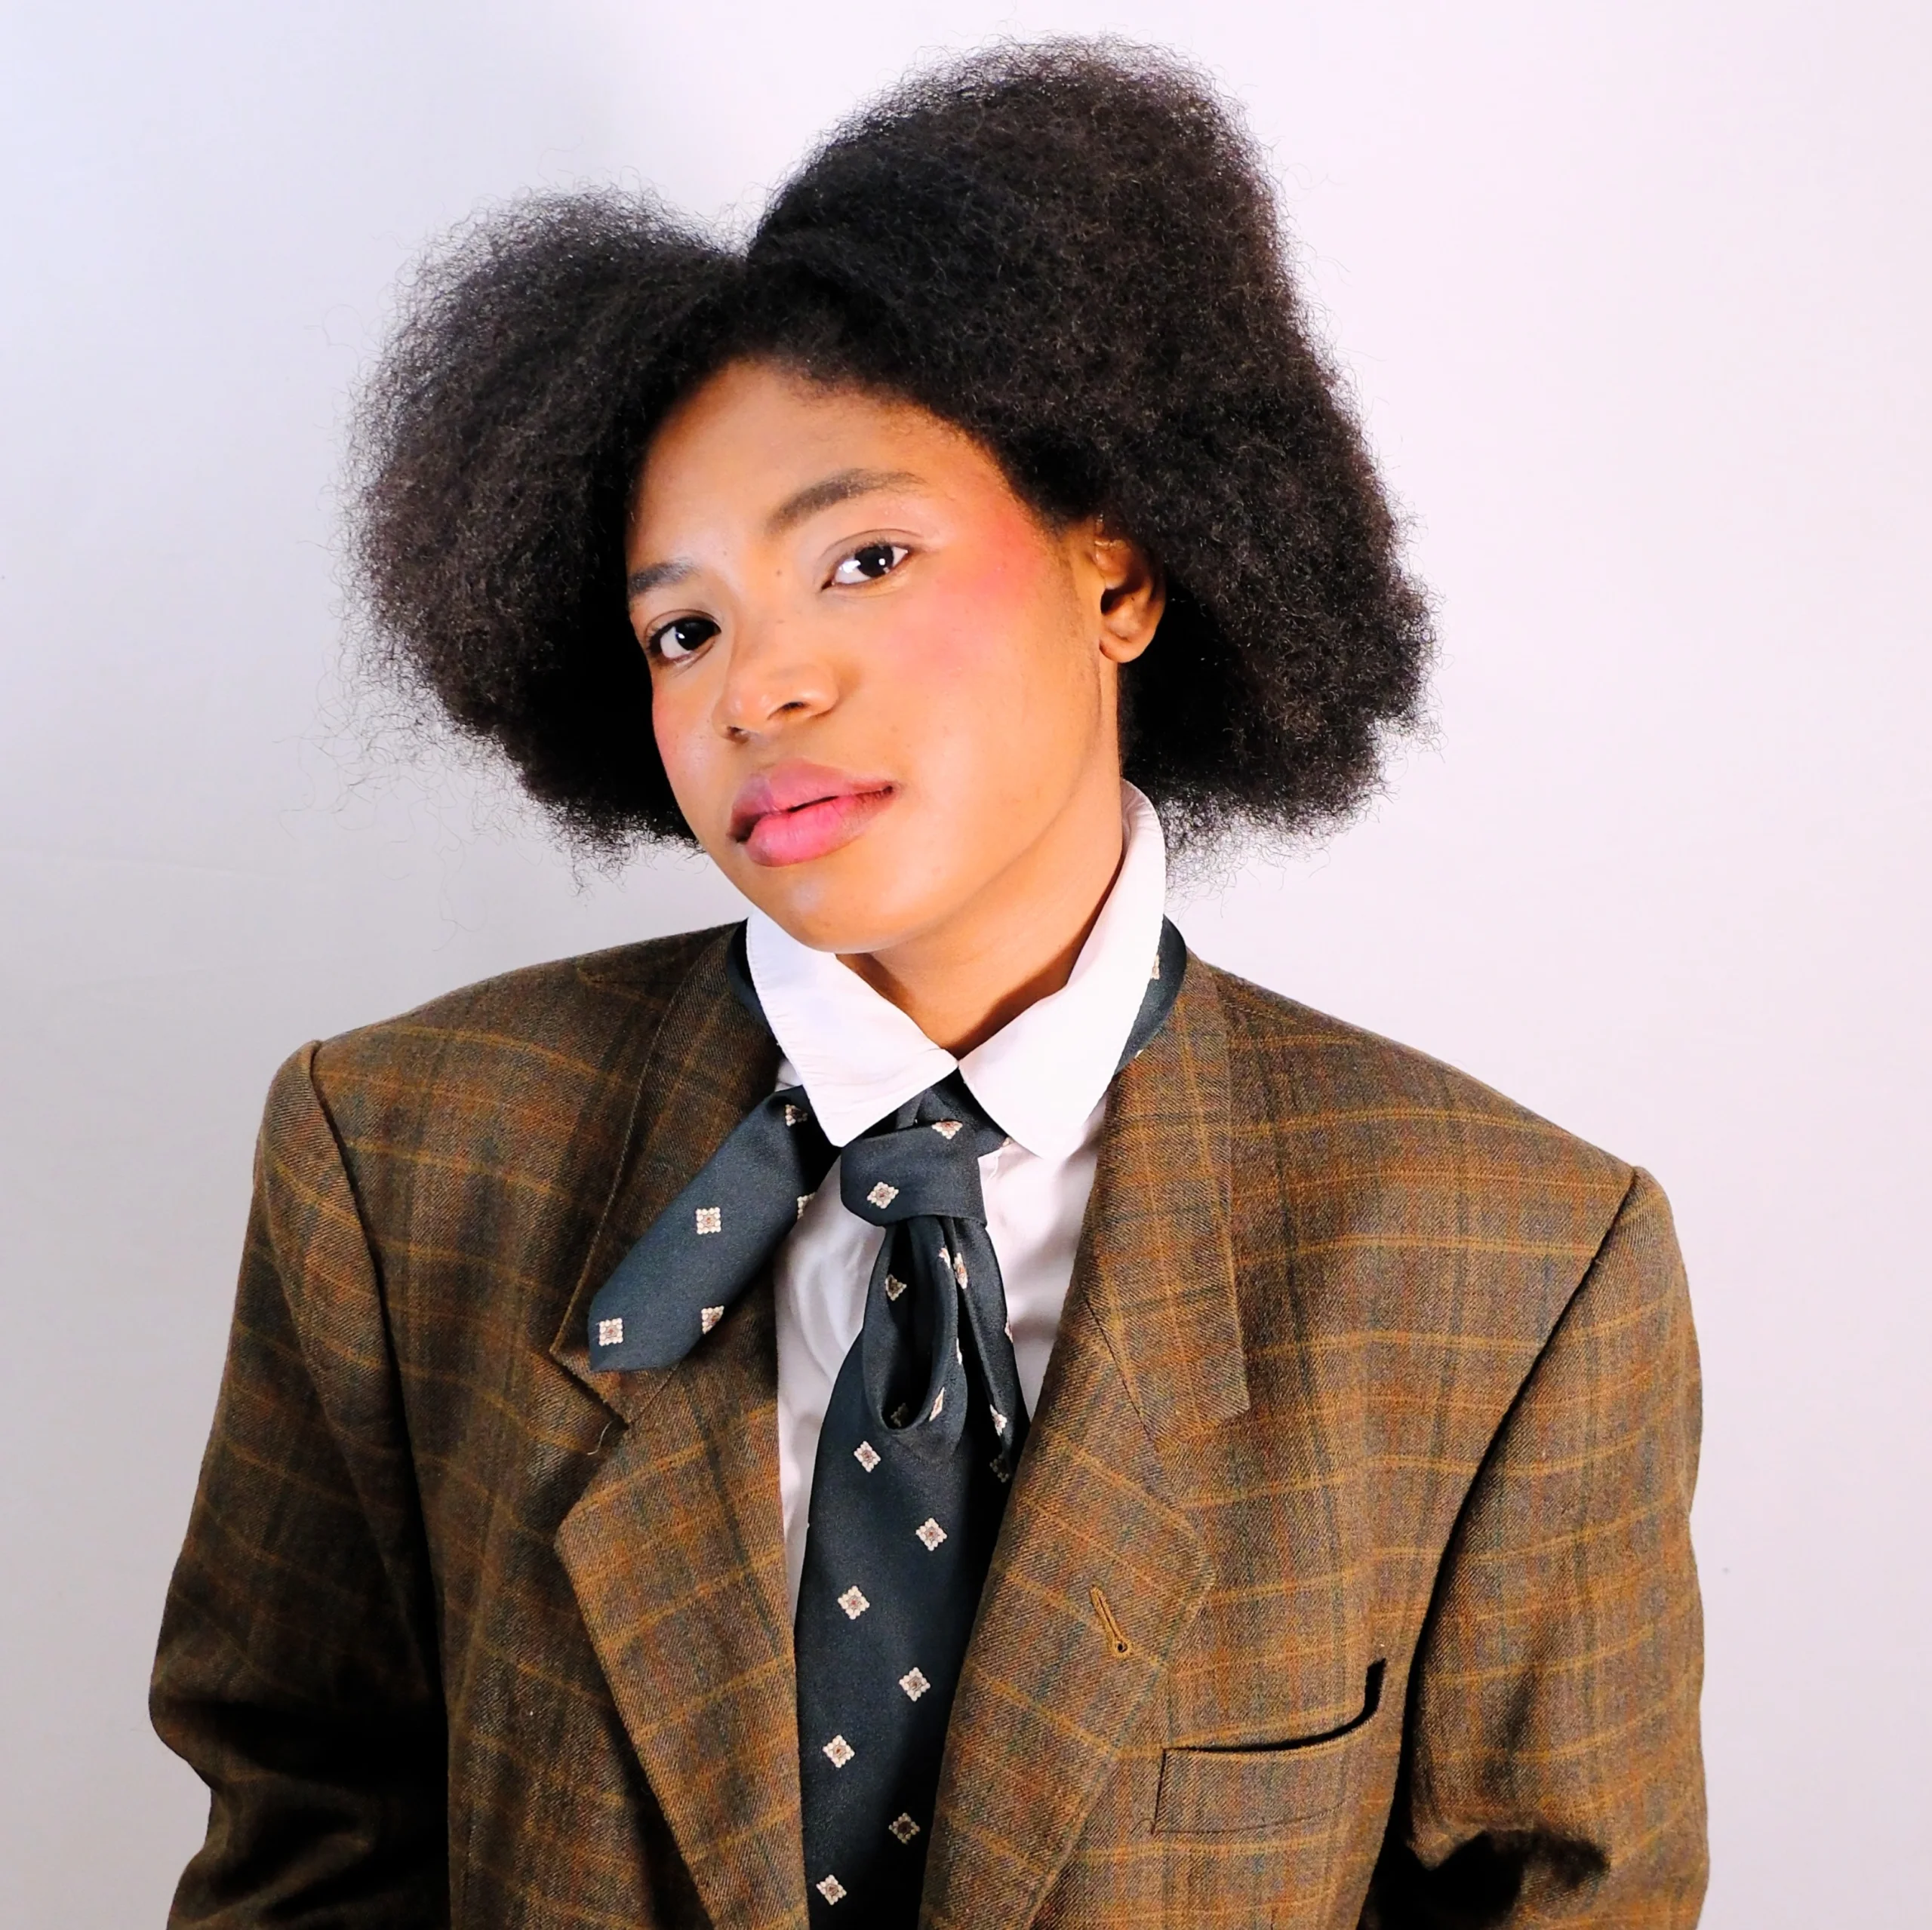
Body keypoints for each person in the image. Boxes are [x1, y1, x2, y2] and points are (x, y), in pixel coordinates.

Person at [152, 39, 1706, 1930]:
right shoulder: (399, 1159)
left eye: (864, 557)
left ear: (1116, 574)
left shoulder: (1512, 1265)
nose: (761, 684)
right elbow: (307, 1838)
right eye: (682, 627)